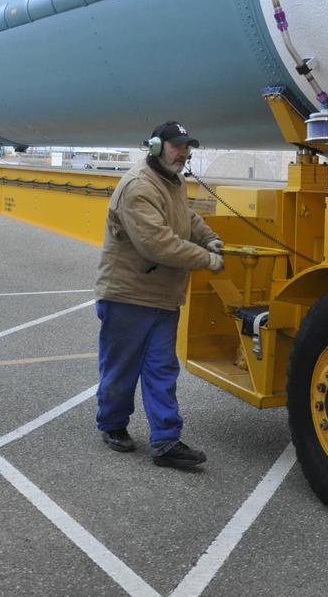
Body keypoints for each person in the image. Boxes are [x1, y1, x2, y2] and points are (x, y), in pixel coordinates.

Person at [94, 121, 225, 468]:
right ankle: (113, 424)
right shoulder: (138, 187)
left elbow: (186, 216)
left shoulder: (173, 181)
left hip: (164, 295)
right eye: (176, 146)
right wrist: (207, 259)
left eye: (186, 147)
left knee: (162, 370)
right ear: (155, 147)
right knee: (121, 368)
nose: (183, 153)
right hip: (128, 295)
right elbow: (157, 244)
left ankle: (166, 441)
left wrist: (208, 236)